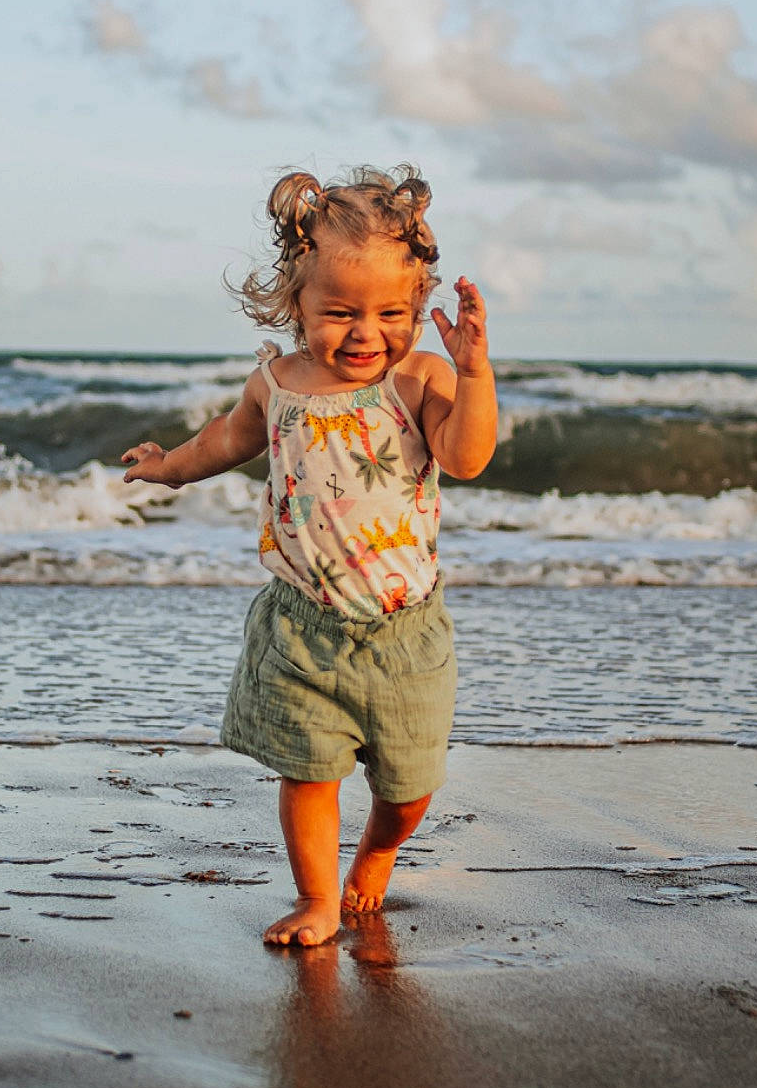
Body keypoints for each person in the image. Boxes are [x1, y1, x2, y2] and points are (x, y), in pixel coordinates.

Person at [120, 163, 496, 946]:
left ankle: (380, 849)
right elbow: (225, 441)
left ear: (420, 306)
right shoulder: (278, 383)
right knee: (309, 772)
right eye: (339, 312)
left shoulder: (420, 379)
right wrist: (168, 466)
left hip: (405, 635)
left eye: (391, 311)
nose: (365, 334)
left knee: (409, 791)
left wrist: (473, 371)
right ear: (296, 304)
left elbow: (465, 456)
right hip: (302, 628)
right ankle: (318, 899)